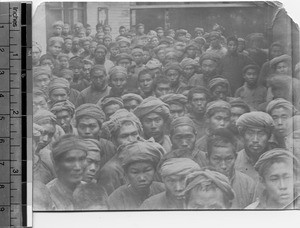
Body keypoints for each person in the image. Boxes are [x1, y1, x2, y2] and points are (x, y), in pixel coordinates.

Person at [107, 140, 165, 210]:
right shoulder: (116, 199)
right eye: (135, 172)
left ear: (155, 170)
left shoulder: (163, 190)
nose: (142, 178)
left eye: (147, 170)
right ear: (126, 174)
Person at [97, 109, 144, 195]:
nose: (131, 140)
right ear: (114, 140)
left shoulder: (147, 159)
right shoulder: (110, 171)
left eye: (134, 134)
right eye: (124, 136)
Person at [206, 128, 256, 208]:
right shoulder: (199, 184)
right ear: (207, 158)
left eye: (228, 159)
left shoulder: (248, 184)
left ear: (236, 157)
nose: (223, 166)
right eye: (217, 159)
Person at [46, 135, 88, 210]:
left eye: (82, 159)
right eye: (70, 160)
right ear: (56, 164)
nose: (78, 167)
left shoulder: (90, 190)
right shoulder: (46, 196)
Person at [235, 111, 274, 182]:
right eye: (250, 133)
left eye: (261, 133)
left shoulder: (278, 160)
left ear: (269, 136)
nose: (255, 140)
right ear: (243, 135)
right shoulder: (234, 162)